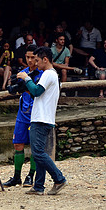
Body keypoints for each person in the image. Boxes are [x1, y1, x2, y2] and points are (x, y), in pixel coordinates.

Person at [16, 46, 67, 195]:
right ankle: (38, 186)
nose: (35, 63)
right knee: (39, 153)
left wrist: (27, 79)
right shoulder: (52, 75)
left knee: (38, 153)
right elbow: (38, 94)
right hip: (44, 117)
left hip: (41, 118)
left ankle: (59, 178)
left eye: (37, 60)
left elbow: (37, 91)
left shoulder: (47, 74)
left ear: (45, 59)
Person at [3, 44, 41, 187]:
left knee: (34, 146)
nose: (30, 60)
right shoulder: (22, 72)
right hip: (22, 113)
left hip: (36, 114)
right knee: (18, 144)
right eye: (27, 57)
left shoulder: (42, 73)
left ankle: (31, 175)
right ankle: (16, 176)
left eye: (33, 57)